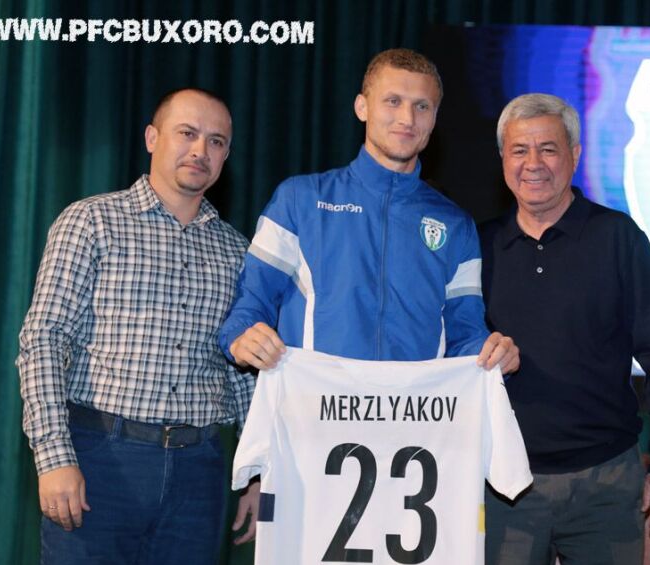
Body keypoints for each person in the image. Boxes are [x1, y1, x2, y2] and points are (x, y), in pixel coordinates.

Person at [17, 88, 258, 565]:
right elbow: (43, 341)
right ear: (153, 138)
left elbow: (244, 375)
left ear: (226, 155)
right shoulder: (90, 222)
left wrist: (255, 471)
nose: (200, 150)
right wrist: (55, 458)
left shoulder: (237, 251)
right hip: (101, 457)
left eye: (216, 141)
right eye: (187, 133)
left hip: (198, 468)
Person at [479, 93, 650, 565]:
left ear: (575, 155)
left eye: (549, 149)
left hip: (606, 483)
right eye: (519, 150)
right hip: (506, 485)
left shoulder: (618, 238)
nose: (533, 163)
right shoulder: (477, 246)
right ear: (503, 159)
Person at [219, 49, 517, 380]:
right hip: (315, 406)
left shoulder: (456, 225)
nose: (407, 118)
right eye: (393, 101)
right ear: (362, 107)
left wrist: (493, 354)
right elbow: (250, 306)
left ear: (435, 118)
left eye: (422, 106)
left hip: (412, 410)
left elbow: (465, 334)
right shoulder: (299, 200)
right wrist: (241, 337)